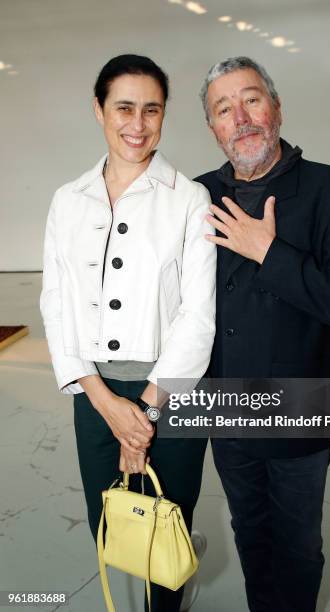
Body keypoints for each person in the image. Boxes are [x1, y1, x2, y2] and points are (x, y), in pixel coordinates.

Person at [195, 56, 330, 612]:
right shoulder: (195, 196)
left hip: (299, 408)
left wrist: (269, 253)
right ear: (213, 128)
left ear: (276, 107)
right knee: (250, 534)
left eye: (251, 99)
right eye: (223, 109)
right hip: (224, 408)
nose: (241, 117)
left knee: (299, 546)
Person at [40, 54, 216, 612]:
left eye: (151, 109)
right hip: (95, 396)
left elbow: (197, 315)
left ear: (164, 116)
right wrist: (104, 403)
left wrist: (144, 413)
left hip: (172, 396)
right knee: (112, 523)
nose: (137, 124)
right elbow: (57, 304)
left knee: (169, 523)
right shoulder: (68, 201)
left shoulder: (189, 199)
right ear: (99, 110)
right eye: (123, 107)